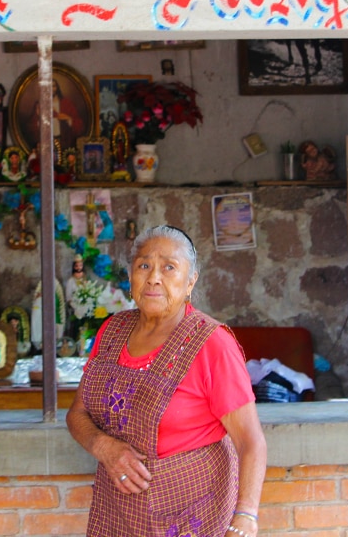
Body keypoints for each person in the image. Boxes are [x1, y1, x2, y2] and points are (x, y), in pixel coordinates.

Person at [66, 225, 266, 537]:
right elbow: (77, 414)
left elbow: (251, 442)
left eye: (169, 267)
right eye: (144, 265)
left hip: (193, 515)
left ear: (190, 282)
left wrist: (245, 518)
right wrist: (104, 447)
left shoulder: (211, 344)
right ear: (131, 277)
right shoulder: (111, 332)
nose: (154, 277)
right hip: (118, 514)